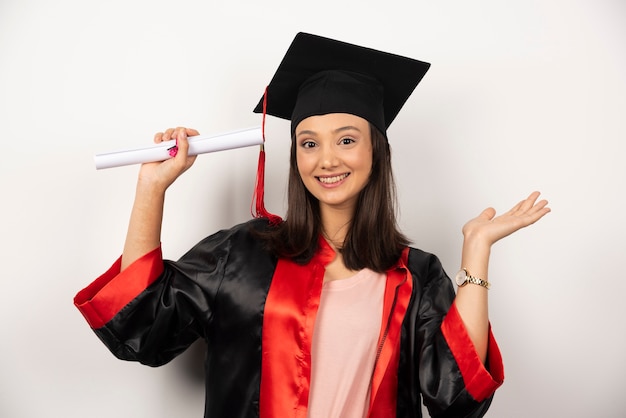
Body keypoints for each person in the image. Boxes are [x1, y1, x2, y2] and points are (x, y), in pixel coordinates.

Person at [74, 32, 550, 418]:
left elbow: (457, 397)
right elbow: (140, 324)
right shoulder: (241, 255)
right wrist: (151, 190)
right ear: (295, 155)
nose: (326, 159)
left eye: (346, 139)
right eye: (308, 143)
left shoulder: (416, 277)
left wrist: (477, 249)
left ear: (375, 152)